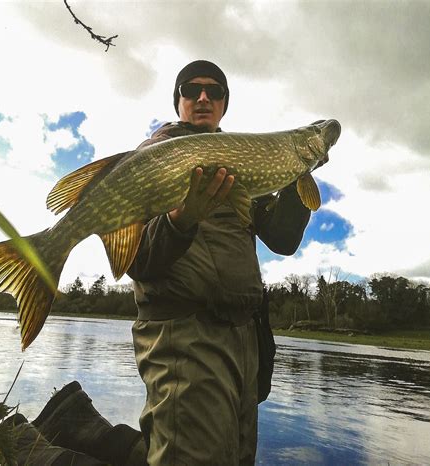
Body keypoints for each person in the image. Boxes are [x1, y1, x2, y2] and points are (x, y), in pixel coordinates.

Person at [126, 60, 312, 466]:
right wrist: (181, 219)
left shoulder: (242, 164)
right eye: (191, 90)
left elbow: (283, 240)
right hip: (184, 339)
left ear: (225, 104)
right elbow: (136, 260)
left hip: (245, 341)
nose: (203, 97)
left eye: (214, 91)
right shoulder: (152, 157)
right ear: (178, 102)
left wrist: (301, 174)